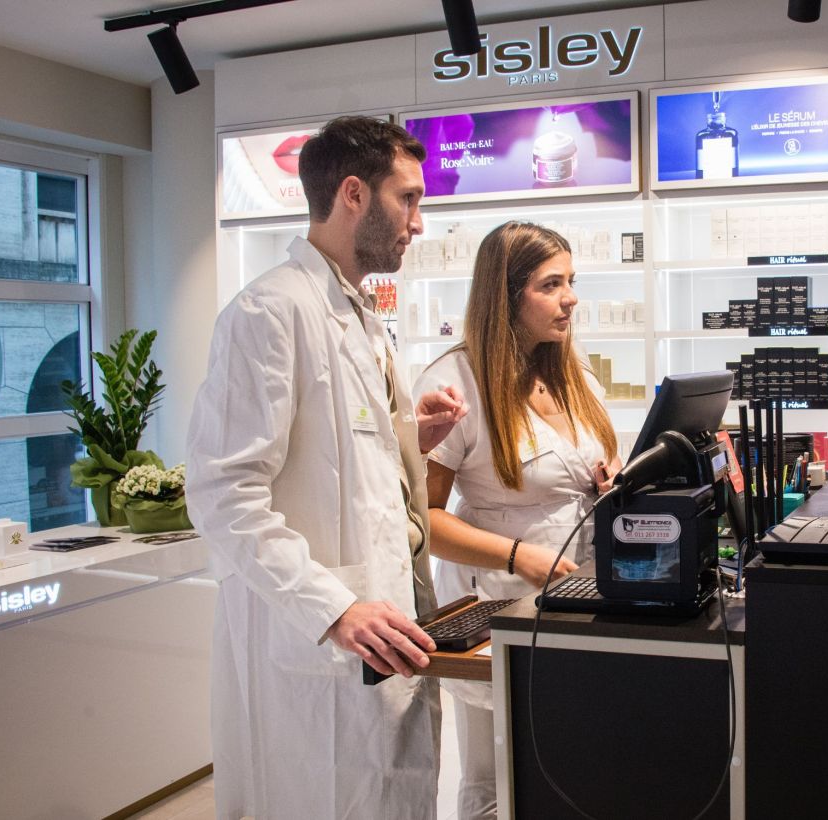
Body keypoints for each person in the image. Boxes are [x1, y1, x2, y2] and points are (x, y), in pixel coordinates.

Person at [186, 116, 468, 820]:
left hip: (387, 623)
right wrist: (333, 607)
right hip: (318, 644)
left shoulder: (360, 314)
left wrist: (411, 434)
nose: (418, 222)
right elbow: (224, 494)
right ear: (352, 194)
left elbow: (344, 460)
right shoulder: (269, 312)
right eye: (408, 199)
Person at [412, 221, 621, 820]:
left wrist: (611, 481)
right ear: (506, 294)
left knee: (561, 762)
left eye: (572, 282)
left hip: (576, 592)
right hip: (500, 601)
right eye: (551, 284)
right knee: (495, 774)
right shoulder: (455, 384)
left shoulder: (571, 375)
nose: (571, 298)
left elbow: (592, 467)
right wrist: (516, 556)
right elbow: (424, 517)